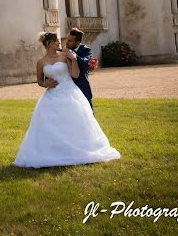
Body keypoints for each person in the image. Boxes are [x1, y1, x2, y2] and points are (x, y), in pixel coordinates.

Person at [13, 32, 121, 168]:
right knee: (50, 125)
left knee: (75, 122)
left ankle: (79, 149)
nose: (60, 43)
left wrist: (74, 59)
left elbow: (75, 74)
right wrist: (46, 84)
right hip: (51, 96)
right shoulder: (41, 62)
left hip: (70, 93)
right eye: (57, 41)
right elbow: (39, 81)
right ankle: (54, 152)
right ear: (49, 44)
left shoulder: (65, 56)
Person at [65, 28, 95, 113]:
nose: (67, 42)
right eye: (67, 39)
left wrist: (73, 56)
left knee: (88, 114)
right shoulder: (63, 50)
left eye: (70, 41)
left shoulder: (86, 50)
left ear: (77, 43)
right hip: (66, 88)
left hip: (82, 86)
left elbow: (86, 64)